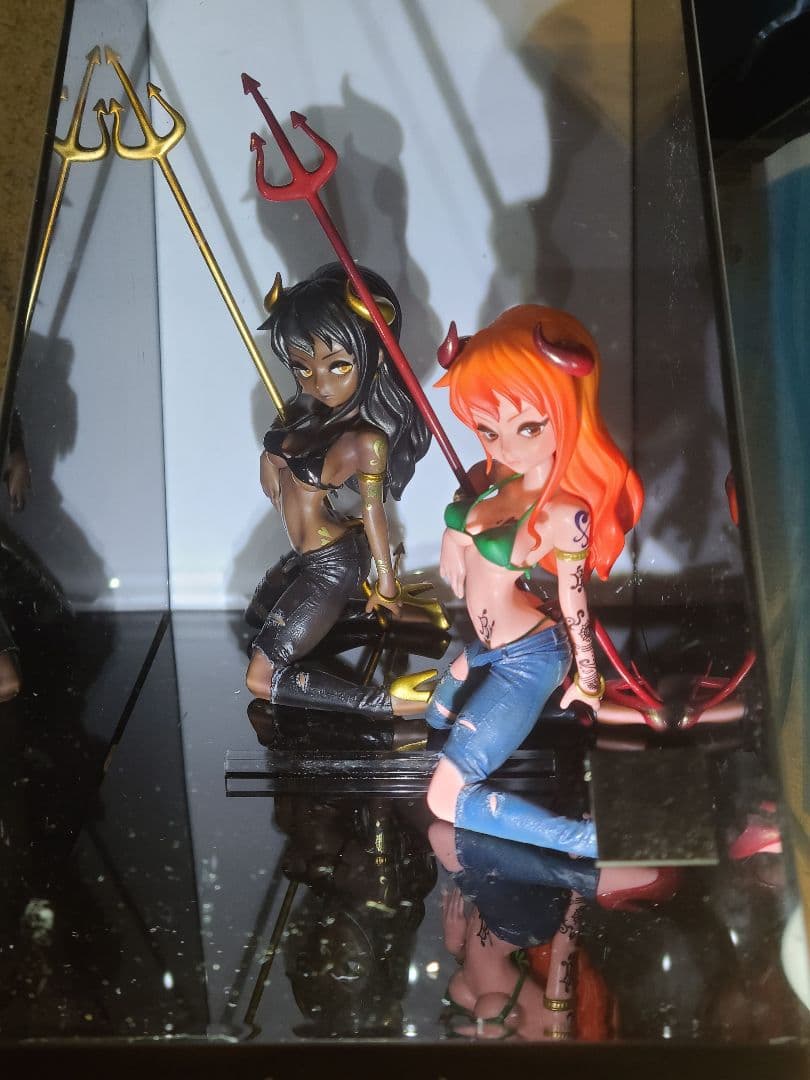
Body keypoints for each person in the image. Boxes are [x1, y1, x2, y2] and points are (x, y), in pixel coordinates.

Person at [425, 305, 643, 854]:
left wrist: (588, 680)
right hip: (489, 647)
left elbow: (574, 601)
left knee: (443, 797)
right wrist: (453, 534)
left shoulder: (564, 513)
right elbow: (467, 518)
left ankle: (590, 841)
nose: (505, 446)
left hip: (528, 661)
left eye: (528, 426)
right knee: (432, 715)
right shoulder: (493, 477)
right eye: (488, 429)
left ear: (566, 412)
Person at [245, 262, 434, 716]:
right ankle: (401, 620)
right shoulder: (306, 413)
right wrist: (270, 458)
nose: (321, 384)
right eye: (303, 368)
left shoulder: (364, 442)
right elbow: (280, 458)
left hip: (330, 567)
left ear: (375, 356)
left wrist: (386, 581)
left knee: (260, 677)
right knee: (256, 618)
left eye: (338, 365)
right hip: (305, 557)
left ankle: (388, 702)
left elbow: (374, 512)